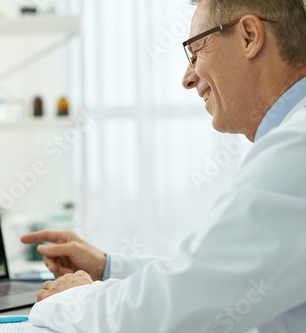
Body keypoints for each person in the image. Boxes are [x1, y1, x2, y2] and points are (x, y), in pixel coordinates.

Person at [21, 0, 306, 332]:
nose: (187, 79)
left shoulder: (295, 149)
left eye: (195, 54)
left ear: (248, 36)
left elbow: (173, 314)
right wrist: (108, 268)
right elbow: (215, 278)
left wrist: (68, 299)